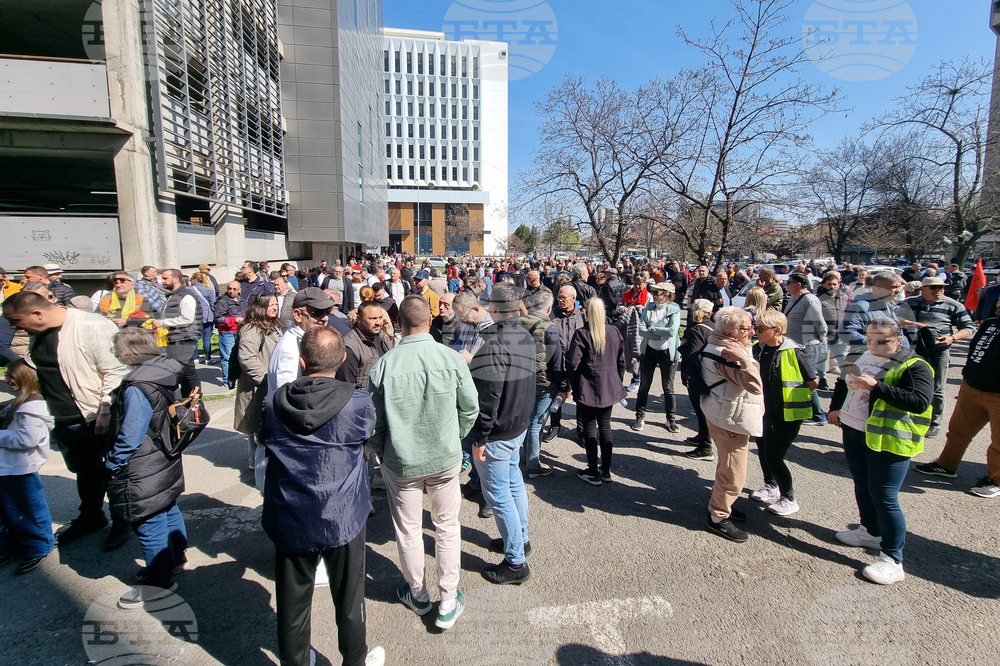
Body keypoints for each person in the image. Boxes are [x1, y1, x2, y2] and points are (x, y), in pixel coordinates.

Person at [259, 328, 385, 666]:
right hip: (342, 511)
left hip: (291, 510)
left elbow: (266, 437)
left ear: (302, 362)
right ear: (342, 359)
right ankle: (354, 659)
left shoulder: (274, 402)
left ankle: (295, 661)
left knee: (292, 600)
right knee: (349, 596)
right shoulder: (357, 401)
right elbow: (366, 435)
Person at [367, 295, 479, 629]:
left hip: (401, 461)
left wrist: (383, 451)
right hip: (442, 458)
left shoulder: (384, 365)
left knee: (409, 529)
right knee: (446, 527)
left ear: (398, 323)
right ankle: (448, 597)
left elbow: (373, 422)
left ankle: (418, 593)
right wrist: (453, 438)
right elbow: (470, 408)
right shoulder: (450, 358)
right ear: (429, 321)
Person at [3, 291, 131, 550]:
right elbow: (39, 367)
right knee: (85, 470)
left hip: (95, 414)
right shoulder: (37, 332)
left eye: (15, 320)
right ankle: (92, 517)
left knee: (116, 471)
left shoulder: (91, 326)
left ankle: (123, 521)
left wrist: (105, 410)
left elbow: (117, 371)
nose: (12, 326)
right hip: (62, 415)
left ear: (37, 314)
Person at [827, 318, 934, 585]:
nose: (874, 345)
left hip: (889, 439)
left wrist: (876, 387)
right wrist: (835, 407)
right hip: (855, 430)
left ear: (898, 340)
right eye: (870, 339)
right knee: (862, 483)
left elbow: (920, 401)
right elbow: (844, 380)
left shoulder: (915, 365)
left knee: (885, 496)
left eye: (882, 341)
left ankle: (893, 558)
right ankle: (870, 531)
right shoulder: (863, 354)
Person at [105, 328, 188, 609]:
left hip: (142, 461)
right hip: (166, 452)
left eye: (117, 348)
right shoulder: (164, 370)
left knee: (148, 519)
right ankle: (175, 557)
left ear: (128, 352)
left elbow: (131, 434)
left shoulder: (137, 385)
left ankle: (160, 582)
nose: (114, 353)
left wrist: (113, 462)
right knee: (167, 504)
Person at [469, 283, 536, 584]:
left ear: (494, 308)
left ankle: (516, 563)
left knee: (499, 496)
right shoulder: (523, 334)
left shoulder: (496, 344)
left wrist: (480, 438)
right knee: (513, 483)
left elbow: (488, 399)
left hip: (498, 432)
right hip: (517, 425)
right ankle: (519, 540)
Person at [914, 300, 1000, 497]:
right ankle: (946, 465)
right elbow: (976, 352)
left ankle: (995, 479)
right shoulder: (991, 323)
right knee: (958, 432)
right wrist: (967, 378)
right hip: (972, 387)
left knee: (999, 442)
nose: (999, 303)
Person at [700, 307, 764, 543]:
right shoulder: (727, 352)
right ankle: (718, 517)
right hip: (729, 416)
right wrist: (746, 361)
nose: (752, 331)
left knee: (729, 465)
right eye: (747, 328)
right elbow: (754, 386)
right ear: (730, 330)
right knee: (733, 470)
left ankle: (724, 503)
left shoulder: (726, 344)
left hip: (726, 410)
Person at [750, 310, 818, 516]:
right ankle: (770, 485)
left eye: (760, 328)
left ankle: (789, 498)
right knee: (763, 449)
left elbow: (813, 383)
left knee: (774, 456)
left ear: (777, 330)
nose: (756, 331)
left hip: (787, 414)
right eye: (756, 327)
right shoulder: (758, 349)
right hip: (763, 411)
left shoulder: (795, 352)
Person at [896, 277, 975, 437]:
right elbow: (896, 318)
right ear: (923, 289)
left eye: (941, 287)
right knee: (909, 382)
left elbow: (969, 327)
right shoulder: (911, 302)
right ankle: (910, 416)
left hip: (939, 350)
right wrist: (918, 325)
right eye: (934, 287)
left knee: (937, 387)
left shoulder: (953, 305)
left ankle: (934, 422)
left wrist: (952, 338)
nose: (939, 290)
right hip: (914, 349)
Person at [0, 360, 55, 575]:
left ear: (25, 377)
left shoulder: (33, 406)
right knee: (8, 512)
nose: (6, 380)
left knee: (29, 510)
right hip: (8, 467)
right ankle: (11, 546)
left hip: (20, 467)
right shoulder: (20, 403)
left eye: (11, 376)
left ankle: (38, 547)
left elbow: (28, 439)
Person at [567, 297, 627, 486]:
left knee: (590, 428)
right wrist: (617, 381)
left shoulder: (582, 334)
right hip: (609, 385)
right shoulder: (614, 331)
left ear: (586, 313)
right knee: (606, 426)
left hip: (588, 386)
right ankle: (606, 470)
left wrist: (572, 384)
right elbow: (621, 361)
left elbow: (572, 363)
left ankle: (593, 471)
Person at [518, 289, 565, 479]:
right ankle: (532, 463)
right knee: (537, 423)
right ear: (550, 307)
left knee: (526, 421)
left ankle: (525, 456)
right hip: (543, 382)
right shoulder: (549, 327)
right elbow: (556, 360)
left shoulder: (519, 322)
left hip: (522, 379)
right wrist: (563, 385)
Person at [234, 294, 281, 471]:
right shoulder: (251, 329)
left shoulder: (273, 326)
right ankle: (257, 465)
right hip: (257, 387)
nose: (275, 308)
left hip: (268, 385)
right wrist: (264, 379)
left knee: (260, 428)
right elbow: (246, 358)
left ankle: (257, 462)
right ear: (260, 307)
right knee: (257, 429)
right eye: (271, 305)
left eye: (276, 304)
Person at [631, 282, 681, 433]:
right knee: (644, 385)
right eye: (653, 291)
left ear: (666, 295)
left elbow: (672, 331)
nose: (653, 294)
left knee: (668, 387)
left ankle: (670, 419)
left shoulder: (674, 310)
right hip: (649, 352)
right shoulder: (649, 308)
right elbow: (641, 330)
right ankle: (639, 417)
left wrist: (653, 329)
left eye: (657, 292)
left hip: (668, 354)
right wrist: (660, 331)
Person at [783, 273, 828, 426]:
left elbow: (820, 325)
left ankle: (818, 415)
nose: (786, 284)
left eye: (789, 282)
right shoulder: (792, 299)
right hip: (795, 344)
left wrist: (821, 341)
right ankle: (808, 411)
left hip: (809, 346)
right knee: (800, 380)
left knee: (807, 380)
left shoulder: (809, 300)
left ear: (799, 284)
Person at [543, 285, 586, 444]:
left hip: (579, 364)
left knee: (581, 397)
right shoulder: (553, 314)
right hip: (558, 363)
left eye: (564, 298)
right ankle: (555, 426)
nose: (560, 300)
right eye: (559, 297)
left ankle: (581, 430)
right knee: (558, 394)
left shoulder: (582, 314)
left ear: (573, 299)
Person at [153, 269, 202, 398]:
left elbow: (187, 319)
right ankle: (187, 399)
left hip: (184, 338)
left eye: (165, 278)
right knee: (184, 371)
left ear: (175, 279)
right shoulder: (172, 295)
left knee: (187, 370)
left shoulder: (186, 295)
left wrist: (162, 322)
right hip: (175, 338)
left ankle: (195, 400)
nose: (162, 281)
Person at [678, 299, 716, 458]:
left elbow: (692, 355)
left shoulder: (695, 330)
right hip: (711, 374)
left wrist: (687, 375)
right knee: (703, 410)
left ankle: (706, 447)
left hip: (698, 375)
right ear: (710, 312)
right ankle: (702, 437)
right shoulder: (714, 328)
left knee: (701, 411)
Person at [842, 271, 904, 362]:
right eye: (894, 287)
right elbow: (847, 333)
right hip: (868, 362)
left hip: (890, 361)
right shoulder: (862, 307)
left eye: (899, 287)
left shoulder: (890, 306)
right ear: (879, 288)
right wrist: (878, 343)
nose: (899, 291)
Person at [337, 301, 395, 389]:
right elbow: (346, 387)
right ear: (359, 319)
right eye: (373, 318)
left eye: (380, 317)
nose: (378, 322)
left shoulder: (383, 337)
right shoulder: (350, 346)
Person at [818, 272, 849, 390]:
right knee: (822, 358)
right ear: (825, 285)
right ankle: (822, 379)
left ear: (839, 285)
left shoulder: (845, 298)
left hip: (840, 334)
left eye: (834, 284)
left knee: (842, 358)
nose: (832, 287)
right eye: (829, 284)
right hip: (824, 335)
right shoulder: (819, 299)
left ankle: (845, 380)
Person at [214, 281, 245, 386]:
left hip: (240, 331)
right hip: (227, 332)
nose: (231, 291)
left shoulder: (242, 300)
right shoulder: (222, 301)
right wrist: (234, 320)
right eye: (229, 288)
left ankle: (236, 376)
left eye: (234, 289)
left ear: (239, 290)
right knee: (227, 357)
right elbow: (218, 319)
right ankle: (228, 380)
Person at [189, 272, 217, 364]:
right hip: (207, 316)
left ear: (194, 279)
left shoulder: (188, 290)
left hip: (193, 316)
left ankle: (195, 357)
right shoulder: (208, 290)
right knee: (207, 338)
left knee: (195, 338)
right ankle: (208, 358)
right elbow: (213, 304)